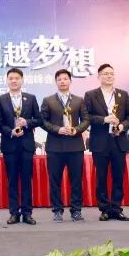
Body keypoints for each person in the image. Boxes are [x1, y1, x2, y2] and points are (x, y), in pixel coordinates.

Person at [84, 64, 129, 221]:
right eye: (105, 74)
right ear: (99, 76)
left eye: (111, 73)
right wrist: (104, 119)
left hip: (119, 141)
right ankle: (104, 209)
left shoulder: (122, 94)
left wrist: (122, 126)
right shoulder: (91, 95)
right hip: (100, 142)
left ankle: (117, 208)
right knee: (101, 177)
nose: (109, 76)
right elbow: (87, 117)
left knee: (118, 176)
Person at [0, 68, 41, 225]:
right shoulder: (0, 100)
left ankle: (27, 213)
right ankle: (14, 213)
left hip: (27, 145)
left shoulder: (31, 98)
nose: (14, 80)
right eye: (11, 78)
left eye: (17, 78)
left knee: (26, 180)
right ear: (7, 81)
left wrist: (27, 122)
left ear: (22, 80)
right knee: (12, 180)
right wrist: (10, 132)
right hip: (10, 145)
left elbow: (39, 119)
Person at [41, 69, 90, 222]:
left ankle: (76, 210)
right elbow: (43, 121)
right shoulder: (48, 100)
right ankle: (57, 210)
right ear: (56, 82)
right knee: (55, 181)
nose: (62, 81)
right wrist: (57, 129)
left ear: (70, 81)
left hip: (75, 146)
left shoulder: (79, 100)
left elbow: (86, 120)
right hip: (54, 146)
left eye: (65, 79)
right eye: (59, 79)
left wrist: (76, 129)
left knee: (76, 180)